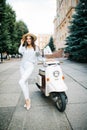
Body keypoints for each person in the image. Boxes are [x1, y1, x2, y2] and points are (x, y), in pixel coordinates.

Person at [18, 32, 40, 110]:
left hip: (30, 66)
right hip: (22, 67)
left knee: (21, 82)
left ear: (32, 39)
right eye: (27, 39)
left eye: (30, 38)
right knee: (25, 83)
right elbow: (20, 51)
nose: (28, 40)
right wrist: (21, 43)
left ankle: (27, 100)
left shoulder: (36, 48)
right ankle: (27, 99)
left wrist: (45, 61)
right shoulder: (24, 47)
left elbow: (39, 57)